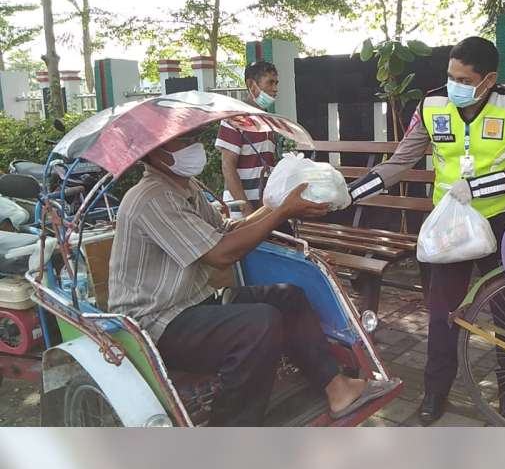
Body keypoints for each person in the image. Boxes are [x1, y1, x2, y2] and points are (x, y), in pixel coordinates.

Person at [108, 128, 398, 426]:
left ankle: (337, 389)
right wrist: (282, 211)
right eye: (184, 142)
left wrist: (276, 205)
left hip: (191, 303)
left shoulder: (184, 188)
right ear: (154, 152)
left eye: (194, 139)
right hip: (154, 324)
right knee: (258, 323)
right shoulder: (151, 198)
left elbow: (227, 231)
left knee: (288, 295)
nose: (194, 147)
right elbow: (222, 254)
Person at [348, 36, 505, 424]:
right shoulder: (433, 103)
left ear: (488, 80)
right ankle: (435, 392)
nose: (453, 83)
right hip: (450, 228)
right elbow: (401, 161)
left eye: (463, 78)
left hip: (499, 221)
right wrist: (350, 193)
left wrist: (477, 187)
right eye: (450, 75)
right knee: (442, 314)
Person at [215, 61, 280, 217]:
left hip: (263, 206)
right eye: (270, 83)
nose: (275, 89)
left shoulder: (268, 121)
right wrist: (247, 210)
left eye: (276, 83)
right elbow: (227, 167)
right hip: (240, 209)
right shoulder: (235, 119)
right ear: (251, 84)